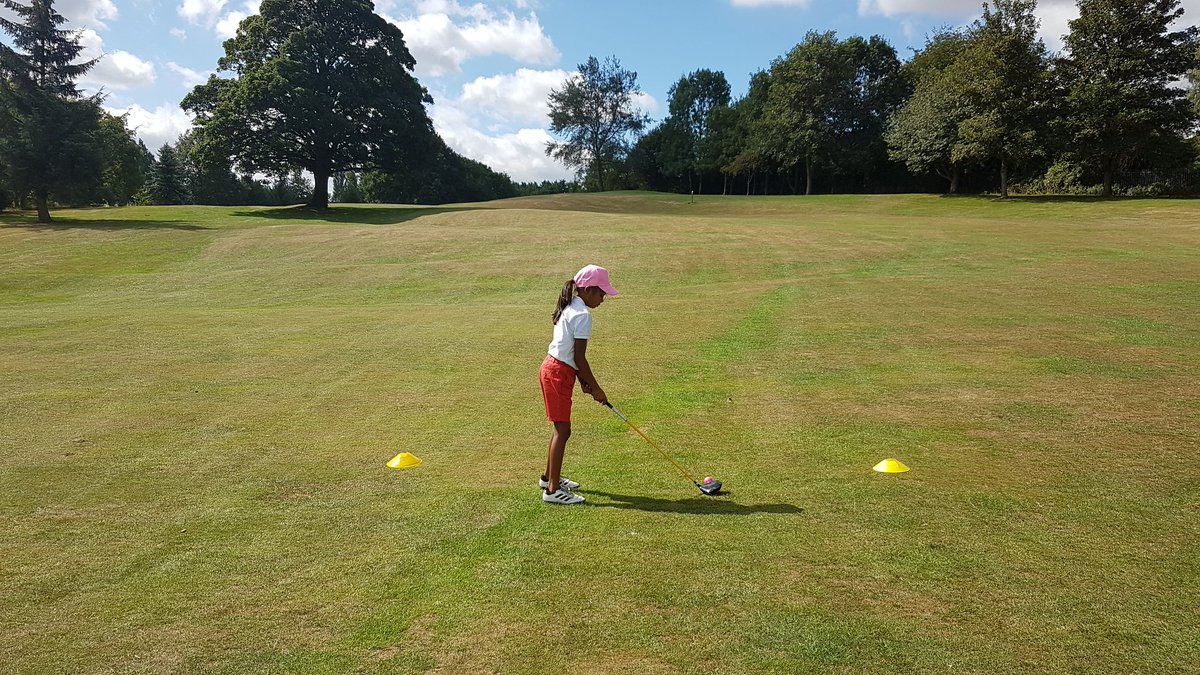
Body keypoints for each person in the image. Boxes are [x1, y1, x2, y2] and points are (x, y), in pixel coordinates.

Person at [538, 264, 618, 505]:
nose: (603, 298)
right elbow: (580, 357)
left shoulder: (571, 305)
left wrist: (583, 381)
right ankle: (552, 491)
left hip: (555, 369)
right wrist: (596, 388)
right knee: (563, 431)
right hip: (558, 372)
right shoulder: (582, 315)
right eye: (601, 293)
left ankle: (548, 478)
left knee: (559, 429)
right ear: (588, 290)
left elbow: (572, 355)